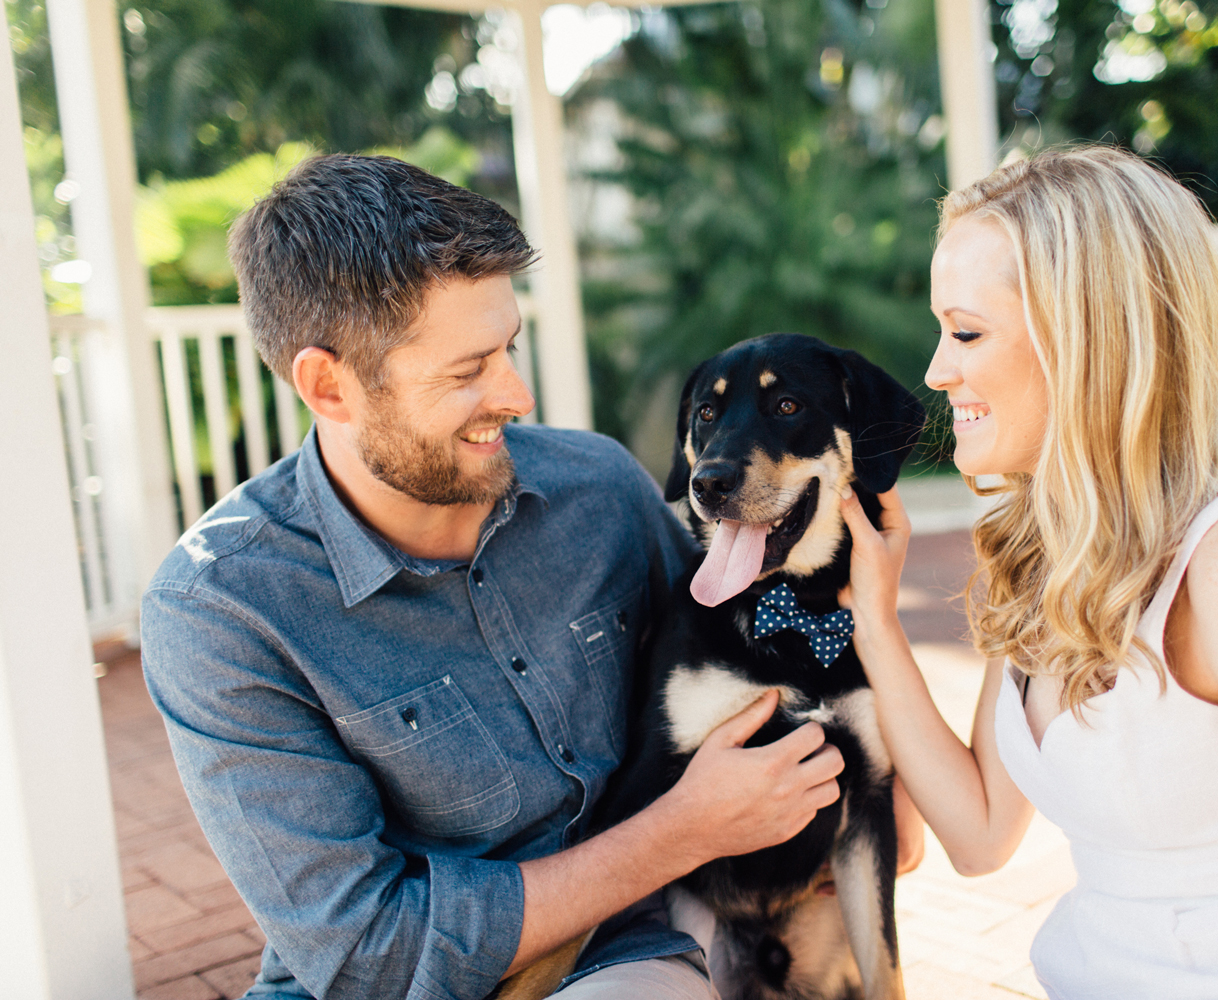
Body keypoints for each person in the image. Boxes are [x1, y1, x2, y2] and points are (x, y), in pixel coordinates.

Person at [140, 153, 855, 1000]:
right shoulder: (222, 610)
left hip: (611, 958)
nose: (516, 394)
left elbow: (757, 656)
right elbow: (368, 955)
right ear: (329, 386)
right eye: (466, 369)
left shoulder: (600, 489)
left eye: (508, 347)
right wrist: (679, 833)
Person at [837, 145, 1218, 1000]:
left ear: (1088, 338)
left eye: (965, 331)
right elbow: (979, 833)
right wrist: (876, 622)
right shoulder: (1052, 547)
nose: (936, 370)